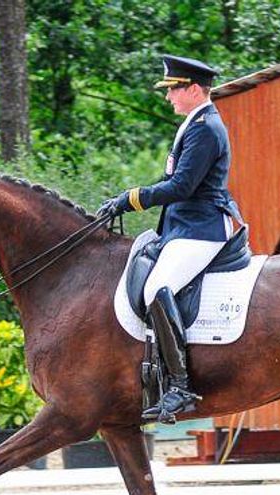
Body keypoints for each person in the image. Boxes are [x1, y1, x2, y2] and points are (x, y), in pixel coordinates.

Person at [98, 54, 244, 424]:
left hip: (202, 226)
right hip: (183, 225)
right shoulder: (195, 123)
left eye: (173, 90)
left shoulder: (207, 128)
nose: (168, 98)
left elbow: (181, 186)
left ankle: (179, 386)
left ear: (194, 89)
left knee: (156, 286)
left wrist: (129, 199)